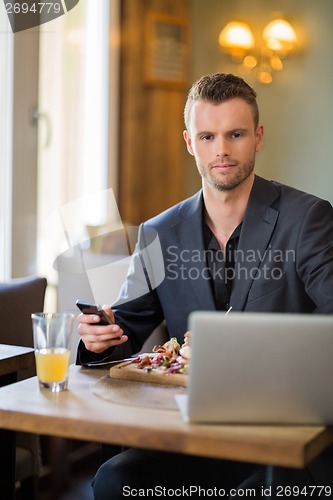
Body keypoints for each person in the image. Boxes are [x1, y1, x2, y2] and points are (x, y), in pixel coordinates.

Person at [77, 73, 333, 498]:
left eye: (236, 134)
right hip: (190, 432)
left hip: (286, 436)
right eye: (208, 136)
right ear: (189, 142)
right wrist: (100, 337)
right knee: (114, 480)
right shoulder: (158, 232)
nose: (222, 150)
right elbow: (127, 328)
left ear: (258, 137)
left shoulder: (308, 218)